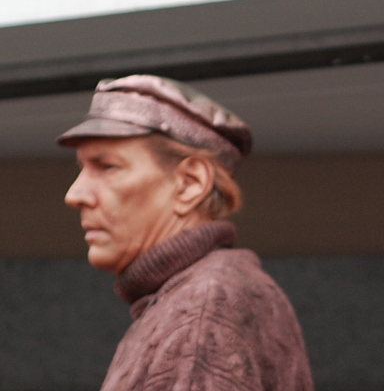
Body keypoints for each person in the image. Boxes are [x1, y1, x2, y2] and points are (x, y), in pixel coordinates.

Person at [59, 74, 313, 391]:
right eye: (82, 168)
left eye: (107, 166)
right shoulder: (198, 295)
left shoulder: (202, 305)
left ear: (190, 184)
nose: (75, 194)